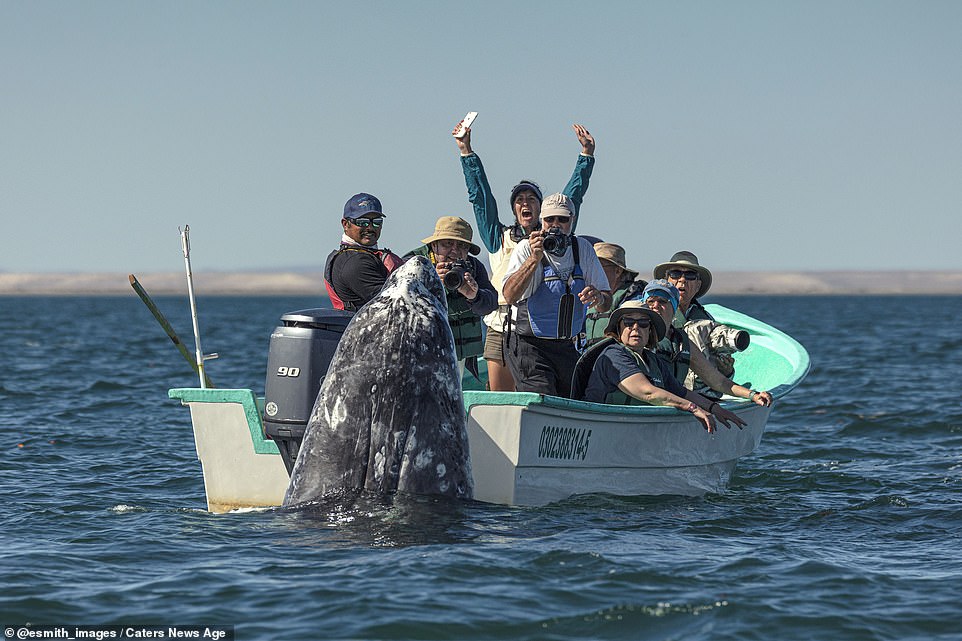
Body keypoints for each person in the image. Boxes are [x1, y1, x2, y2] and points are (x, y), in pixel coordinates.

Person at [454, 121, 595, 391]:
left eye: (532, 199)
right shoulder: (499, 238)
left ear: (542, 209)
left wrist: (586, 157)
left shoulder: (559, 237)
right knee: (502, 399)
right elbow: (480, 198)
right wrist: (466, 151)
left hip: (542, 331)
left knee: (542, 392)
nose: (525, 203)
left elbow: (572, 199)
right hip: (502, 324)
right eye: (520, 200)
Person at [572, 301, 745, 434]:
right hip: (600, 429)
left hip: (631, 432)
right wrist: (692, 408)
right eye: (628, 322)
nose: (635, 328)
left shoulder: (654, 361)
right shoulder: (613, 355)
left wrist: (715, 409)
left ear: (650, 331)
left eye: (643, 324)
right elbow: (648, 392)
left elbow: (682, 393)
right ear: (618, 328)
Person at [501, 193, 611, 398]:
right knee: (543, 399)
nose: (555, 225)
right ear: (541, 221)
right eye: (549, 219)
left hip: (568, 346)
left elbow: (606, 301)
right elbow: (509, 296)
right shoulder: (526, 248)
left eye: (562, 219)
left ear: (572, 220)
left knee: (571, 402)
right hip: (530, 345)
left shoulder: (582, 249)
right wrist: (534, 260)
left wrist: (599, 298)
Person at [642, 280, 773, 406]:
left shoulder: (682, 341)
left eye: (662, 301)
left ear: (674, 306)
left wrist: (753, 395)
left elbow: (718, 381)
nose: (655, 306)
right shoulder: (637, 338)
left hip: (674, 403)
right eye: (650, 301)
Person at [403, 216, 498, 369]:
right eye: (447, 243)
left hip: (456, 355)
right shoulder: (414, 265)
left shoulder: (472, 267)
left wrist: (474, 296)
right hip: (420, 352)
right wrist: (430, 283)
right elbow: (400, 306)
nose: (455, 250)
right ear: (434, 246)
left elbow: (491, 304)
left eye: (462, 245)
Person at [652, 250, 750, 383]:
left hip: (696, 393)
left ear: (698, 285)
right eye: (675, 274)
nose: (682, 280)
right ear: (666, 281)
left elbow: (717, 370)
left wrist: (727, 371)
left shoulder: (705, 320)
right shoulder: (652, 310)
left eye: (690, 275)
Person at [324, 193, 403, 311]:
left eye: (376, 222)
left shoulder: (367, 256)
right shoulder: (355, 263)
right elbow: (396, 304)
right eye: (362, 222)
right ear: (345, 224)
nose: (370, 228)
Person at [584, 242, 647, 347]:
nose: (593, 270)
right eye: (591, 265)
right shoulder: (588, 297)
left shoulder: (634, 300)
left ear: (618, 271)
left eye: (599, 266)